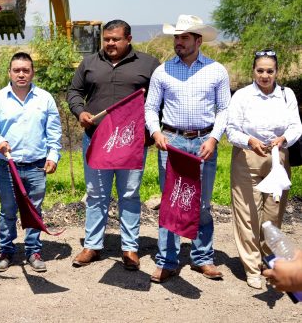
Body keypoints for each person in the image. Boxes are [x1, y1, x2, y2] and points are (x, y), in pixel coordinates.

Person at [144, 15, 231, 284]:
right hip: (172, 142)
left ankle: (202, 258)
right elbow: (150, 108)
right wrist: (156, 132)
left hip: (204, 142)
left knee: (202, 202)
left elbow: (224, 108)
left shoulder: (217, 70)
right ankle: (166, 260)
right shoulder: (163, 71)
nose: (178, 42)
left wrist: (215, 138)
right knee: (171, 202)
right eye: (176, 37)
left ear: (198, 40)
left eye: (184, 37)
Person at [67, 20, 160, 270]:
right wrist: (80, 112)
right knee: (96, 194)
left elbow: (160, 100)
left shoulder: (148, 64)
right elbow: (74, 92)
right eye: (106, 39)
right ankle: (92, 245)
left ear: (128, 39)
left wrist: (151, 132)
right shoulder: (89, 63)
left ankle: (130, 248)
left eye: (115, 39)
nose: (110, 43)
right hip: (98, 140)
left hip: (131, 142)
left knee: (129, 195)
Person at [226, 49, 302, 289]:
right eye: (260, 71)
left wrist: (284, 139)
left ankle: (270, 263)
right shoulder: (242, 96)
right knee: (248, 214)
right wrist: (250, 141)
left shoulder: (286, 95)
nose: (265, 75)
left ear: (277, 71)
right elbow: (232, 129)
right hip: (248, 156)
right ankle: (252, 268)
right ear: (253, 71)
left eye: (270, 71)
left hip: (278, 157)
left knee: (272, 215)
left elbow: (296, 126)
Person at [0, 52, 62, 273]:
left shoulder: (45, 98)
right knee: (8, 210)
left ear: (32, 72)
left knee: (34, 210)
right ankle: (6, 251)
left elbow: (54, 132)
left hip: (37, 166)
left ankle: (33, 251)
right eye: (17, 70)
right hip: (9, 166)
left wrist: (53, 156)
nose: (21, 74)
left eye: (25, 70)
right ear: (9, 72)